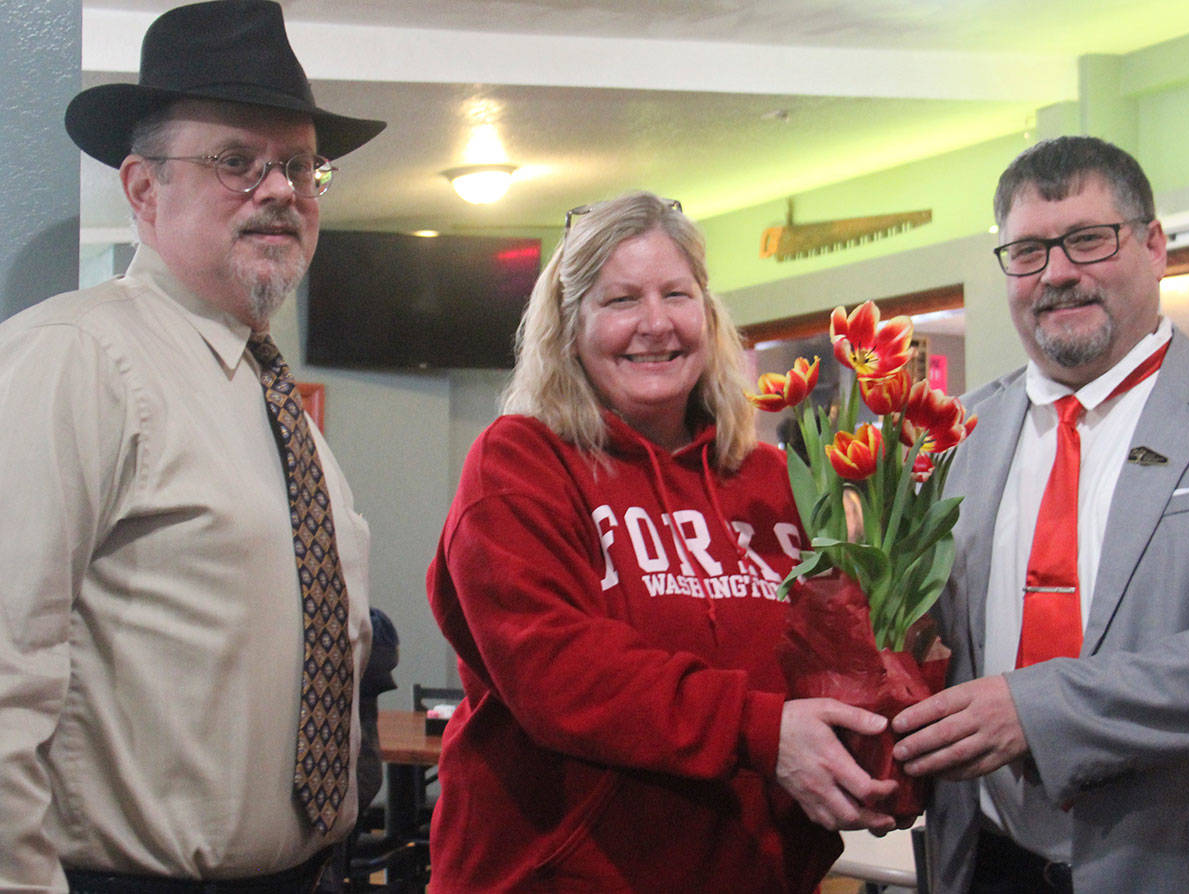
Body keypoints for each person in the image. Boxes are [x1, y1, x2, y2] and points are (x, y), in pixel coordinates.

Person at [0, 2, 385, 890]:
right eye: (235, 163)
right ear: (143, 189)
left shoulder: (266, 394)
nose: (281, 191)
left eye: (298, 165)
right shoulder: (76, 360)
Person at [426, 191, 900, 892]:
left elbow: (831, 657)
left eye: (676, 294)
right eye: (620, 301)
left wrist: (881, 743)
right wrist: (762, 731)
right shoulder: (519, 464)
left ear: (707, 316)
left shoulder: (772, 481)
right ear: (570, 327)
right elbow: (561, 672)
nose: (655, 324)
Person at [891, 135, 1189, 892]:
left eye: (1088, 241)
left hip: (1182, 868)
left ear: (1155, 244)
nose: (1059, 274)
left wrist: (1037, 710)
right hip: (988, 862)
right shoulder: (950, 436)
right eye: (1029, 251)